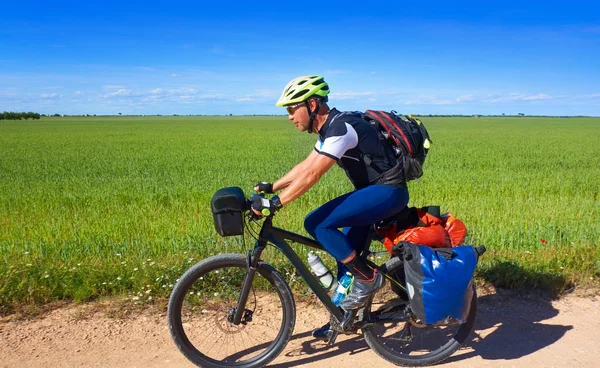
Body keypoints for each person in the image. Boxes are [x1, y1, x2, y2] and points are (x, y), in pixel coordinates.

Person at [250, 75, 409, 338]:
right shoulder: (330, 128)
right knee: (345, 256)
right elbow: (306, 166)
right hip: (375, 193)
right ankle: (341, 319)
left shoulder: (342, 128)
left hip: (387, 193)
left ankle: (369, 279)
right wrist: (273, 187)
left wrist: (275, 204)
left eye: (292, 109)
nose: (290, 116)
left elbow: (314, 175)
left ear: (312, 105)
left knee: (317, 223)